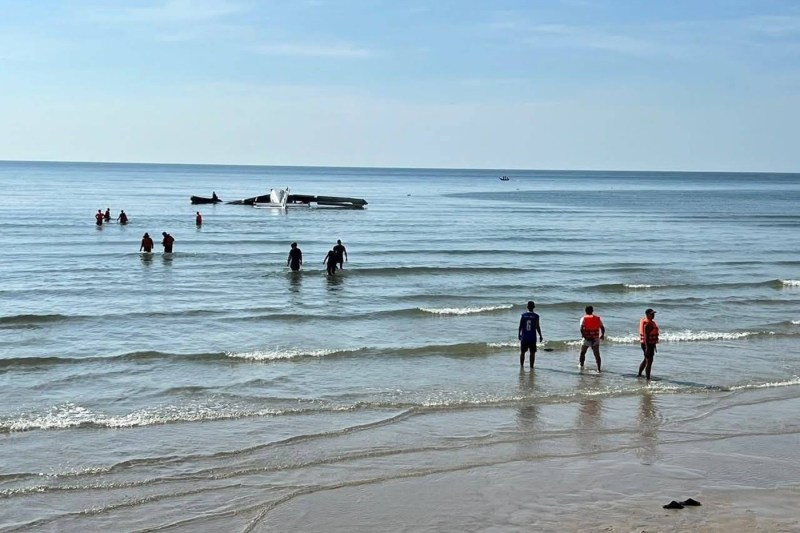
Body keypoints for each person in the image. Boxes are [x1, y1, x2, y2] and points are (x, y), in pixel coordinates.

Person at [579, 305, 605, 372]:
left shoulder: (583, 318)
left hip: (587, 338)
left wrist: (584, 336)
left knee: (583, 353)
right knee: (597, 355)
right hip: (595, 339)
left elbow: (581, 329)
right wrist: (602, 335)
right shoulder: (597, 319)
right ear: (592, 311)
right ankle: (598, 369)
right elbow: (602, 328)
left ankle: (581, 366)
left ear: (585, 311)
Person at [518, 300, 543, 368]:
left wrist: (519, 334)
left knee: (522, 352)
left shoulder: (523, 315)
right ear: (534, 307)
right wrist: (540, 335)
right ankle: (531, 367)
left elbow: (520, 326)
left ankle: (521, 366)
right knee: (532, 353)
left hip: (524, 337)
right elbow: (537, 327)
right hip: (532, 338)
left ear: (527, 307)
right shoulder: (536, 316)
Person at [638, 308, 659, 379]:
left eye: (653, 314)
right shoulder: (648, 324)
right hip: (647, 344)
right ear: (647, 315)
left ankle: (639, 374)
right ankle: (648, 378)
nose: (653, 315)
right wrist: (647, 347)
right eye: (651, 314)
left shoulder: (650, 322)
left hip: (649, 344)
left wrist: (654, 345)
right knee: (649, 361)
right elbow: (646, 336)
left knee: (646, 359)